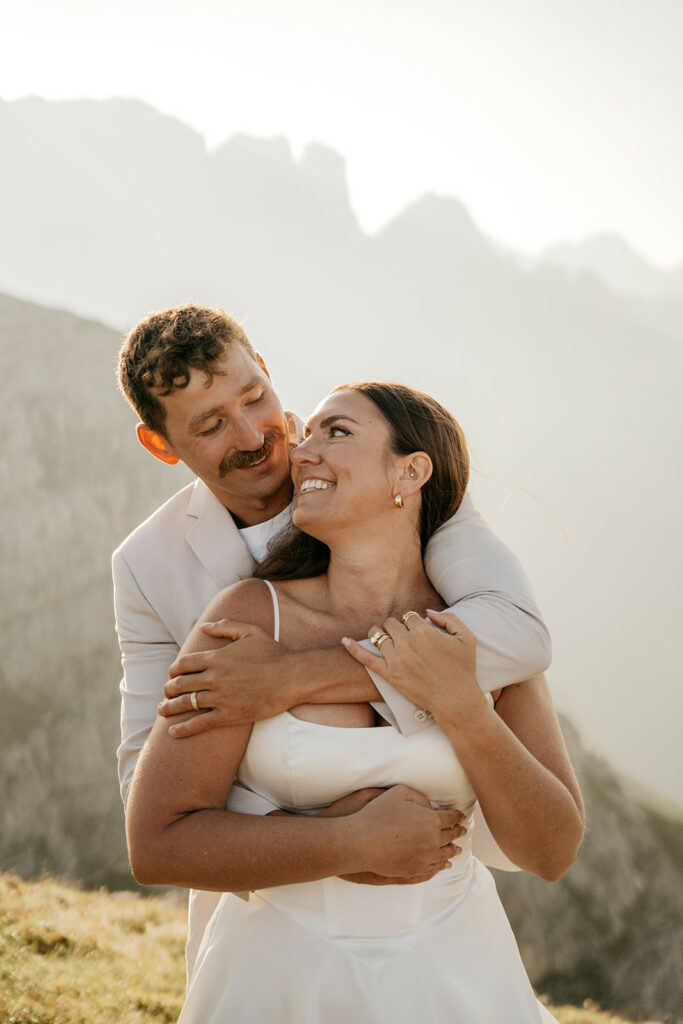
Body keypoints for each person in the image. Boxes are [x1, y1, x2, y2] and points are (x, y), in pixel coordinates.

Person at [114, 304, 552, 979]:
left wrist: (295, 677)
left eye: (254, 396)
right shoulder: (147, 566)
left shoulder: (383, 468)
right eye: (210, 425)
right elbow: (146, 777)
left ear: (264, 370)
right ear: (160, 445)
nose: (256, 434)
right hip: (277, 921)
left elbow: (517, 634)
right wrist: (331, 837)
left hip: (438, 924)